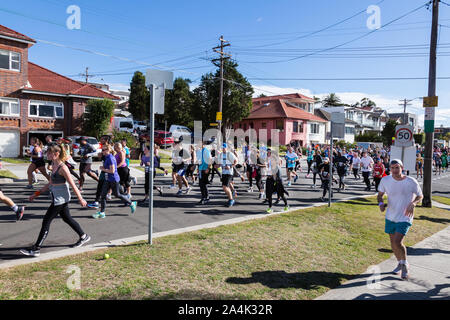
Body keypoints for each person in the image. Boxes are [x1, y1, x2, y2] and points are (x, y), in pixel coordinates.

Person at [20, 144, 90, 257]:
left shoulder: (63, 168)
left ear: (56, 154)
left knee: (46, 221)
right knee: (67, 218)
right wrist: (36, 194)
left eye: (49, 153)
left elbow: (73, 185)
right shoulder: (53, 165)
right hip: (58, 197)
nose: (46, 154)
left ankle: (36, 248)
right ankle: (83, 236)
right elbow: (50, 183)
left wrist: (81, 198)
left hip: (61, 199)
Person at [377, 159, 423, 280]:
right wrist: (380, 204)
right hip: (390, 216)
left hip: (405, 216)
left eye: (397, 167)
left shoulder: (411, 181)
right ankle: (399, 262)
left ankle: (405, 265)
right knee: (393, 244)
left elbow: (420, 195)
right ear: (389, 169)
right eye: (392, 168)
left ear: (402, 167)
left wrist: (414, 203)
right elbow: (380, 195)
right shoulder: (385, 180)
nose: (395, 170)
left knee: (398, 242)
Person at [93, 144, 137, 219]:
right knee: (103, 196)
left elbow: (112, 171)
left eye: (103, 150)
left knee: (117, 194)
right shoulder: (107, 157)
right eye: (102, 150)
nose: (102, 151)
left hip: (113, 179)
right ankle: (102, 212)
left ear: (108, 150)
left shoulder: (110, 158)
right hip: (108, 179)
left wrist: (103, 169)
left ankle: (131, 203)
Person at [265, 149, 289, 213]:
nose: (271, 161)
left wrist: (269, 175)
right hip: (272, 182)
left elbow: (274, 175)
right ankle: (270, 208)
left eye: (272, 160)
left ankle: (286, 205)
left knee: (282, 195)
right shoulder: (271, 166)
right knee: (269, 194)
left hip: (278, 183)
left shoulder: (277, 167)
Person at [216, 143, 237, 207]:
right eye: (222, 147)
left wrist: (230, 166)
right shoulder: (220, 155)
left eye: (224, 147)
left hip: (229, 172)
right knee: (224, 187)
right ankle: (230, 198)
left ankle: (231, 200)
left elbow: (236, 161)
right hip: (224, 172)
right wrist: (217, 166)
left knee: (225, 187)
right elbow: (220, 164)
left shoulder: (230, 154)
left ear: (226, 148)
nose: (223, 149)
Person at [197, 141, 211, 205]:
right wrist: (198, 168)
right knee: (201, 184)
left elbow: (210, 159)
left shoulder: (206, 150)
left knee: (203, 184)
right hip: (200, 169)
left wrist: (208, 168)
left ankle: (206, 197)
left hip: (205, 169)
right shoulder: (199, 151)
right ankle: (203, 197)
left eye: (199, 143)